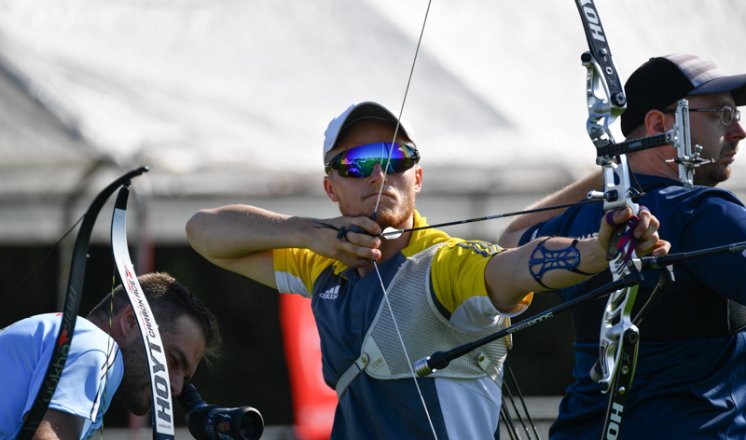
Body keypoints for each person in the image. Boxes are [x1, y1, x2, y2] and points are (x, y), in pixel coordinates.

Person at [185, 101, 668, 439]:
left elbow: (515, 269)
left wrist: (598, 249)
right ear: (331, 186)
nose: (379, 175)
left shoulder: (443, 264)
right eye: (356, 163)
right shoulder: (323, 266)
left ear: (417, 176)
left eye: (396, 159)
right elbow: (204, 231)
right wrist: (307, 232)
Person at [498, 53, 746, 439]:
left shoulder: (585, 219)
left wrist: (618, 165)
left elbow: (513, 236)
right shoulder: (704, 212)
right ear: (660, 124)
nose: (738, 131)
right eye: (722, 115)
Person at [0, 272, 221, 440]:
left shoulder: (74, 339)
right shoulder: (95, 345)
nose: (177, 387)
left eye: (185, 378)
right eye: (173, 360)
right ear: (131, 322)